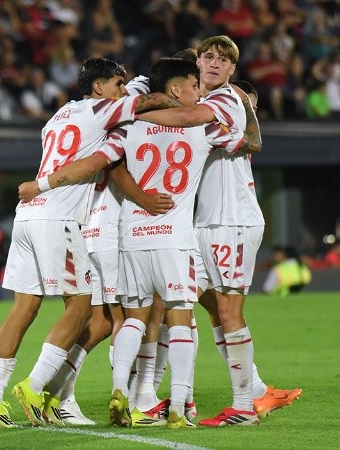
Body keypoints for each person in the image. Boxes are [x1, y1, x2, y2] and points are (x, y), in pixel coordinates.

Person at [0, 57, 181, 428]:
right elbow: (151, 104)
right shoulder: (103, 109)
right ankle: (36, 387)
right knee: (83, 308)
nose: (121, 90)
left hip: (28, 218)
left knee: (24, 309)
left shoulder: (58, 117)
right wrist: (173, 93)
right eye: (117, 83)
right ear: (98, 87)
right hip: (59, 216)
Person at [139, 35, 301, 427]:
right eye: (207, 56)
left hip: (232, 220)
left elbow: (188, 121)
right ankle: (192, 398)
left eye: (222, 59)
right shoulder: (198, 100)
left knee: (227, 311)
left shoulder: (226, 100)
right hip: (202, 224)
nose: (213, 63)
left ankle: (245, 406)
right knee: (189, 304)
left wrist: (134, 114)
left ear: (232, 70)